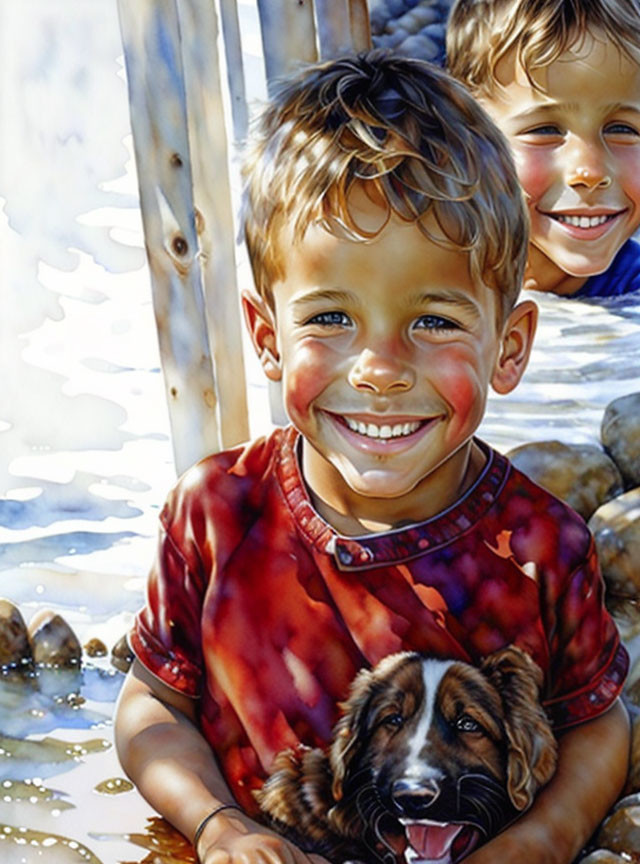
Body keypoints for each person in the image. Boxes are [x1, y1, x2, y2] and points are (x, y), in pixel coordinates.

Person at [114, 52, 629, 864]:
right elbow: (152, 707)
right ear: (265, 337)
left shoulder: (539, 546)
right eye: (329, 318)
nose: (379, 369)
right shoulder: (214, 514)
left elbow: (597, 723)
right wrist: (218, 828)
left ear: (509, 346)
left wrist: (544, 839)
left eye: (432, 322)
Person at [446, 0, 640, 298]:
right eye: (545, 130)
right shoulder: (425, 274)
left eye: (622, 129)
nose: (589, 172)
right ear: (464, 139)